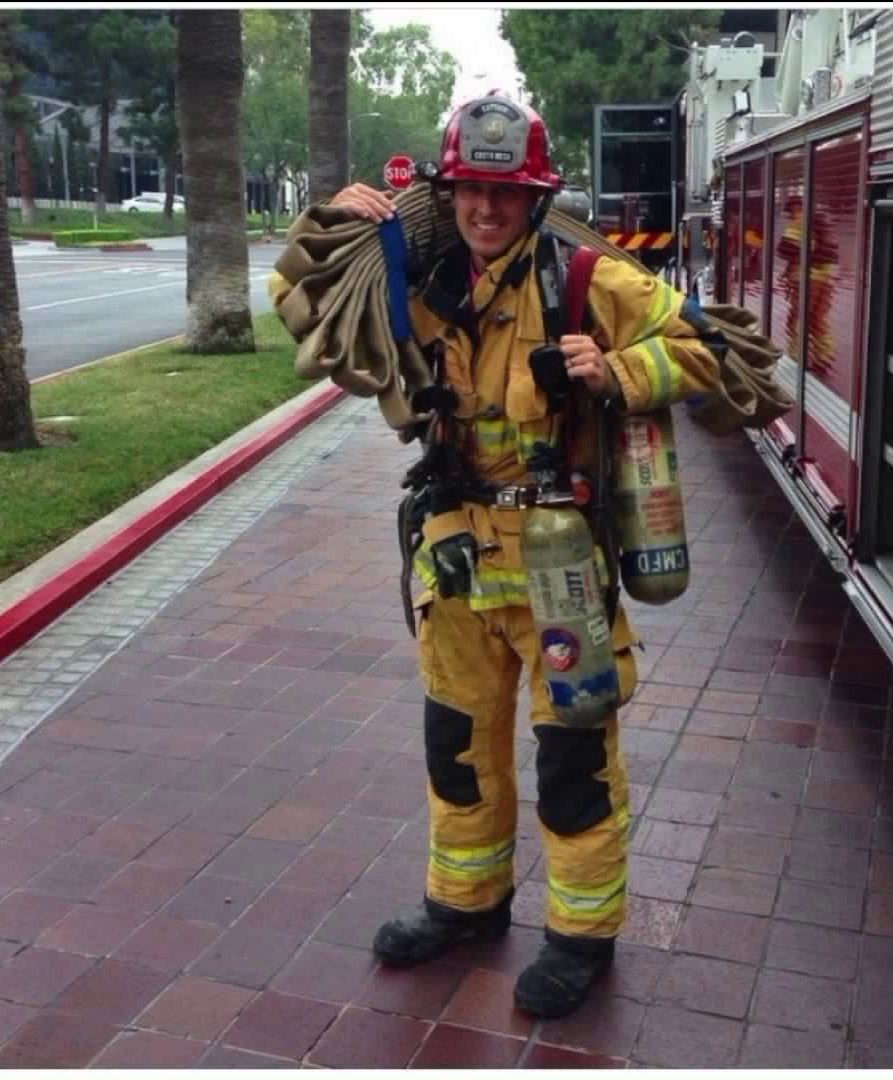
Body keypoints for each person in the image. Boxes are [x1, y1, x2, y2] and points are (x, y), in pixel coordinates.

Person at [274, 94, 724, 1019]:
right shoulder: (417, 270)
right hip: (455, 564)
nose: (487, 210)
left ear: (534, 196)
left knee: (572, 762)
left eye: (507, 193)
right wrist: (326, 224)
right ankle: (467, 903)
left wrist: (618, 371)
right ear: (452, 190)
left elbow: (708, 351)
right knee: (459, 747)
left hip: (561, 564)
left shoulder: (588, 278)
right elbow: (298, 305)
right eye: (473, 190)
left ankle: (582, 936)